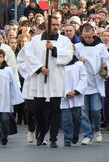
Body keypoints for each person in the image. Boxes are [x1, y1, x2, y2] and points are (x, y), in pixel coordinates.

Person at [17, 16, 73, 147]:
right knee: (38, 110)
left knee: (55, 110)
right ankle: (42, 131)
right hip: (40, 80)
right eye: (52, 24)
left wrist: (54, 49)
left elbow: (69, 55)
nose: (55, 27)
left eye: (56, 24)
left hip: (56, 79)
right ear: (46, 26)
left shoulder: (64, 40)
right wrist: (39, 67)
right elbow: (28, 55)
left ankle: (53, 138)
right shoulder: (36, 40)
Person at [75, 25, 109, 145]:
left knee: (95, 109)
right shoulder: (78, 47)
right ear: (82, 35)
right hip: (82, 83)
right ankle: (87, 134)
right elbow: (72, 62)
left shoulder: (100, 47)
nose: (87, 39)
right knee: (83, 111)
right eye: (85, 37)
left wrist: (104, 67)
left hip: (96, 82)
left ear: (93, 34)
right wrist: (78, 62)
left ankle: (96, 129)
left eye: (89, 37)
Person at [60, 46, 87, 146]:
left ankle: (75, 134)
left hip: (76, 95)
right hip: (64, 96)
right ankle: (67, 138)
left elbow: (84, 79)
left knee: (77, 119)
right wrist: (64, 93)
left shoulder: (79, 64)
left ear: (74, 51)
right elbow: (57, 80)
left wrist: (76, 91)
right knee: (67, 120)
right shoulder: (59, 65)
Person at [0, 49, 24, 146]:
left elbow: (13, 85)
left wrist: (15, 99)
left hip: (5, 100)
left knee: (5, 119)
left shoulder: (8, 70)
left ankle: (5, 135)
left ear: (3, 58)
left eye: (0, 57)